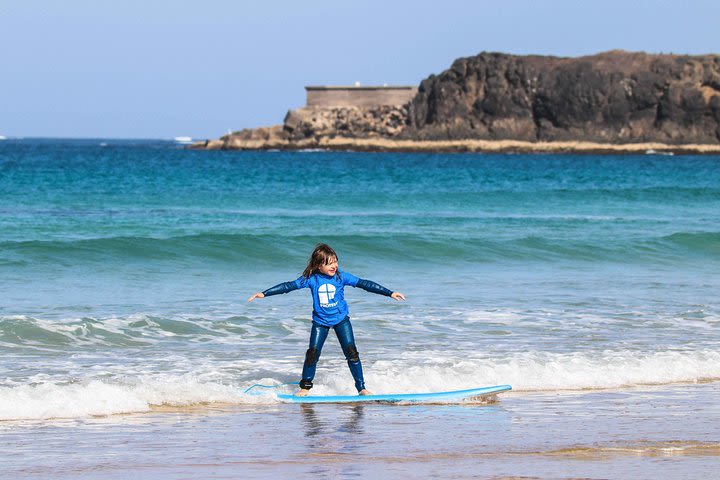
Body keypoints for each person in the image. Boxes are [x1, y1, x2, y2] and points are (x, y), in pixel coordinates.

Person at [248, 243, 405, 396]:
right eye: (329, 263)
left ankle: (361, 388)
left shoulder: (341, 277)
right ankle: (305, 388)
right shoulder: (311, 279)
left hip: (341, 320)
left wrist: (389, 293)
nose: (334, 266)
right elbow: (288, 286)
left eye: (335, 261)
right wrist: (264, 293)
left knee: (352, 353)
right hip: (320, 322)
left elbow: (365, 284)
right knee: (312, 354)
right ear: (318, 265)